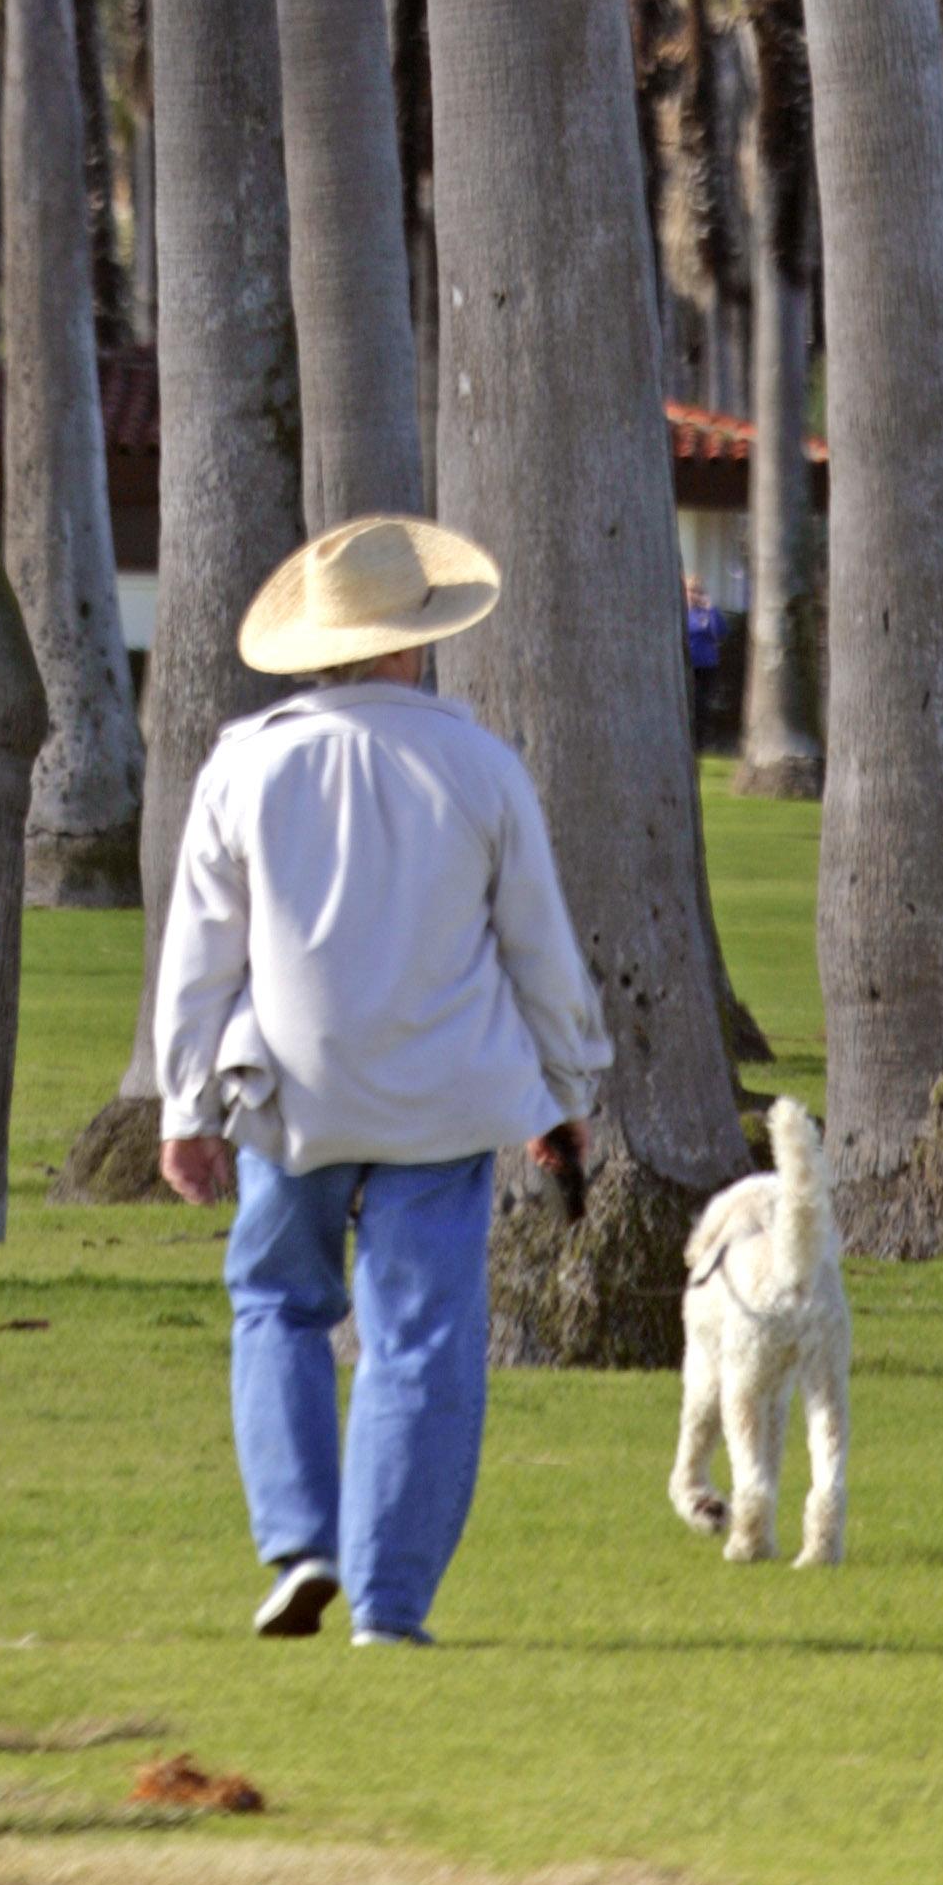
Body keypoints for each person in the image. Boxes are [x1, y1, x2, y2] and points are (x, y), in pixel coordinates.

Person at [154, 511, 611, 1650]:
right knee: (421, 1340)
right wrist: (563, 1090)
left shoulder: (244, 765)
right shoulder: (478, 764)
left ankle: (300, 1543)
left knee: (276, 1307)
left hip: (288, 1097)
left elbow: (198, 957)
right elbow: (539, 952)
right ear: (415, 636)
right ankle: (390, 1604)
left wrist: (182, 1105)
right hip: (443, 1098)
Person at [683, 571, 727, 752]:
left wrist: (711, 608)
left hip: (706, 667)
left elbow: (720, 633)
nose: (694, 595)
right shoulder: (681, 614)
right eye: (691, 590)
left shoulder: (706, 614)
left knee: (701, 706)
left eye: (697, 591)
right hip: (687, 666)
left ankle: (698, 746)